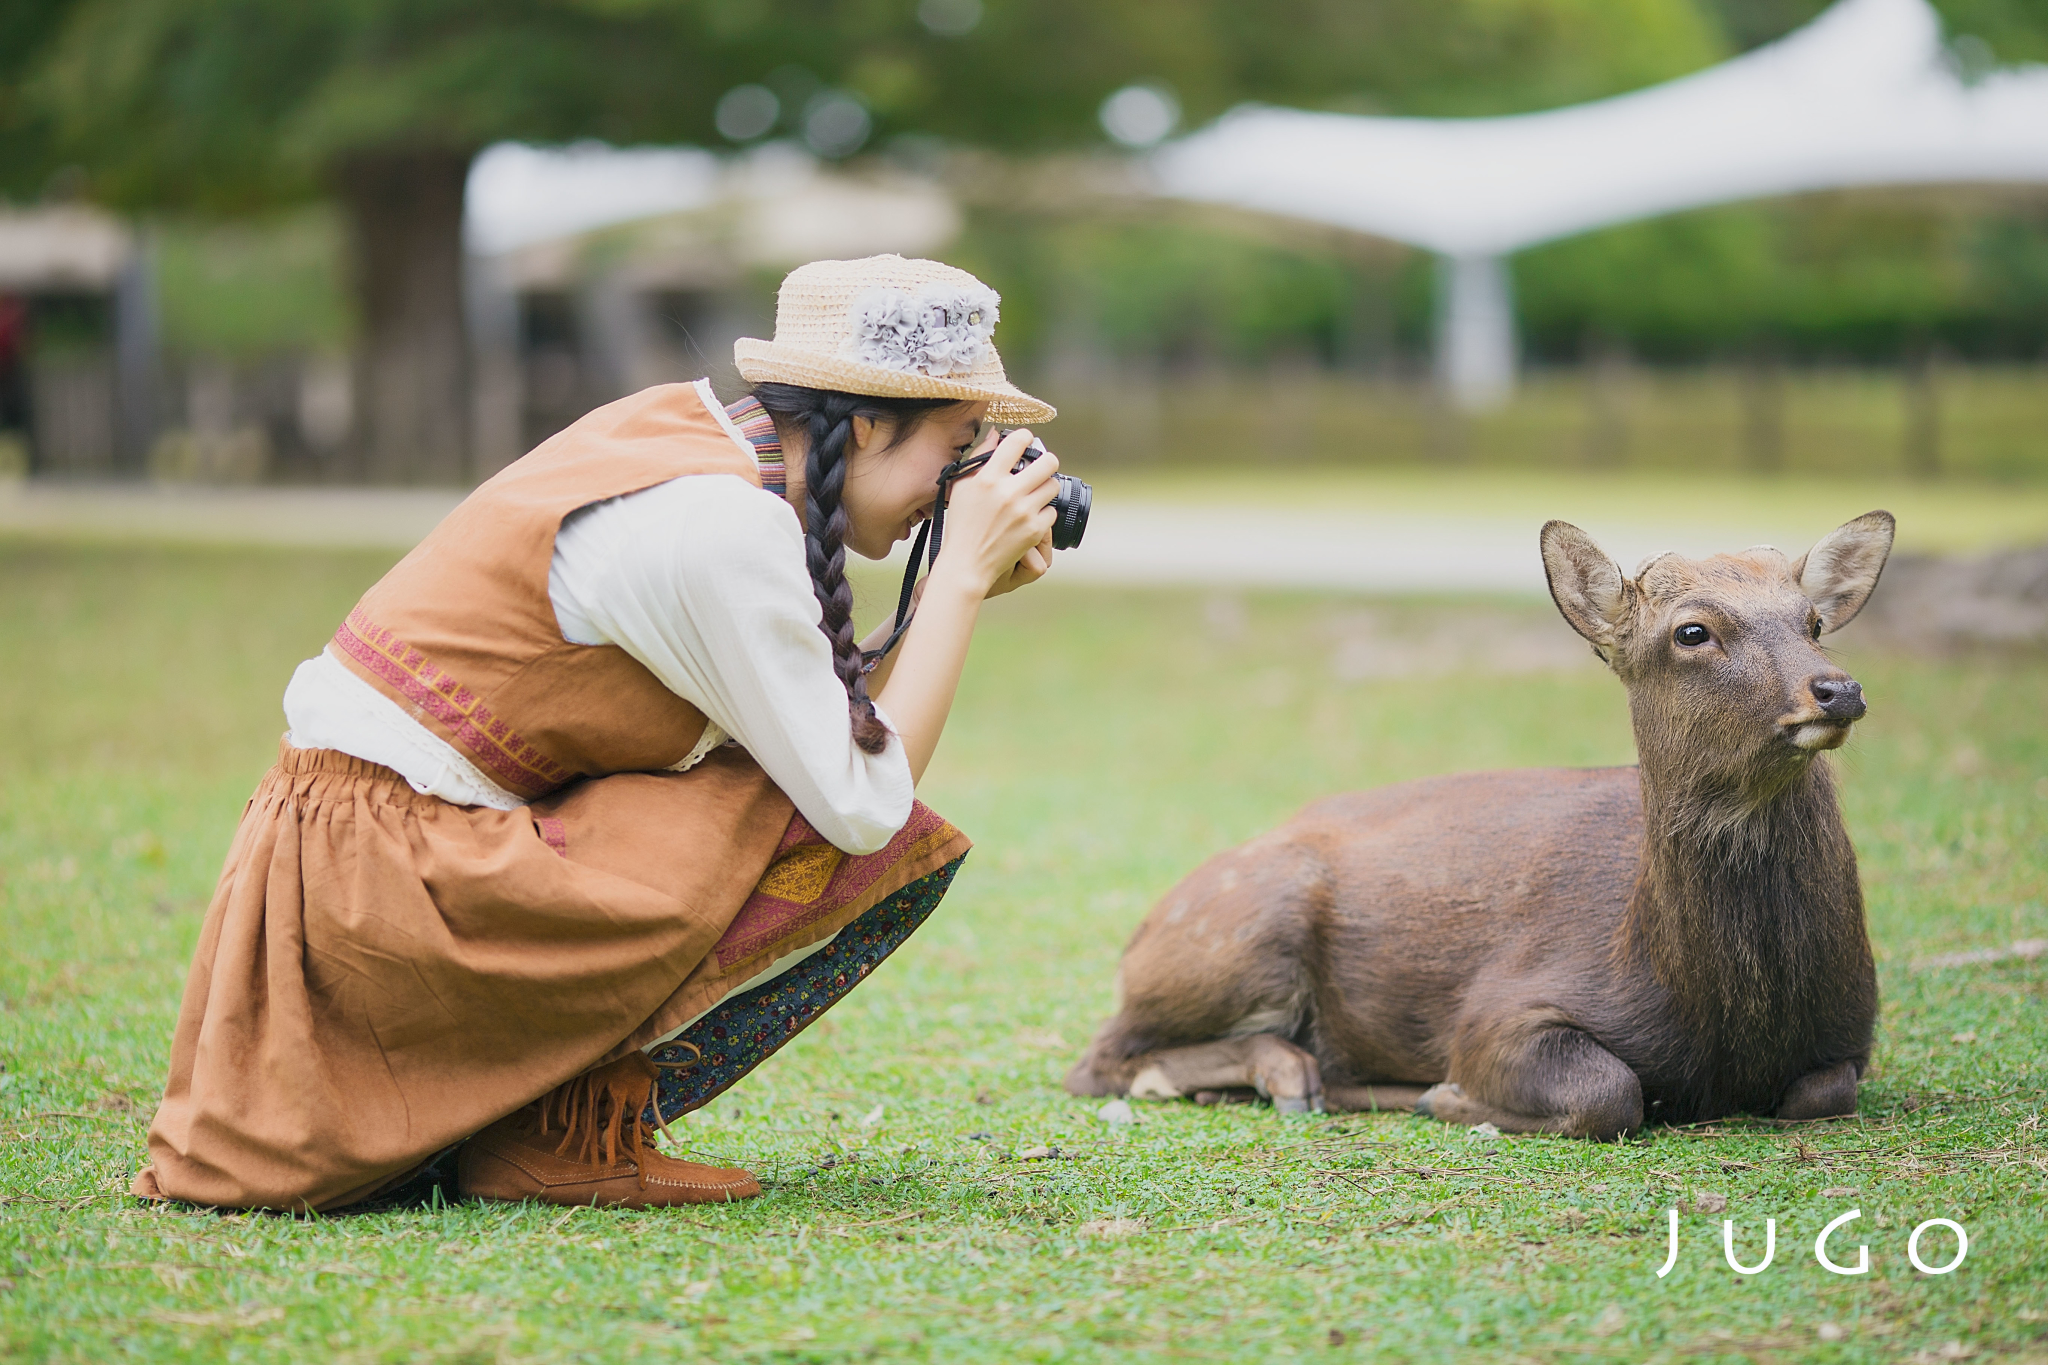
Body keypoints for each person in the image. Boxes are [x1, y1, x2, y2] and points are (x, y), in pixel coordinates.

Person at [131, 254, 1064, 1212]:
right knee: (809, 824)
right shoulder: (723, 525)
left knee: (775, 788)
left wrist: (953, 583)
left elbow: (823, 727)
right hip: (384, 898)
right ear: (865, 420)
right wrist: (951, 581)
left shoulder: (683, 437)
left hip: (363, 872)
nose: (965, 479)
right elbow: (864, 802)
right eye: (959, 444)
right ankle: (561, 1132)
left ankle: (547, 1127)